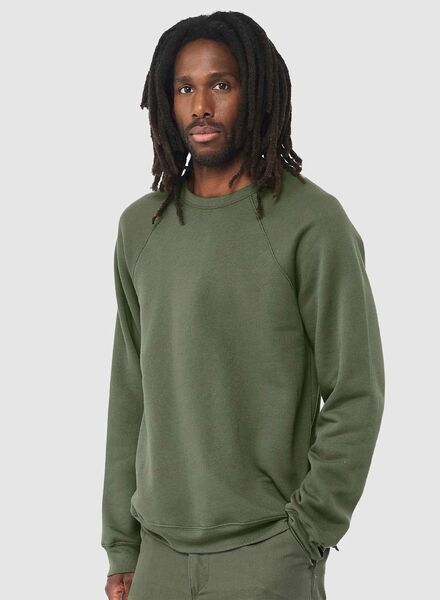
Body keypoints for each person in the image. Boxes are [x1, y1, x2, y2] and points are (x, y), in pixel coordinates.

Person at [101, 10, 385, 600]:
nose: (201, 106)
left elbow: (356, 387)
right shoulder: (140, 228)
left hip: (269, 553)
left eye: (221, 85)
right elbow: (131, 390)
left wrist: (310, 528)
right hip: (157, 555)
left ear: (256, 93)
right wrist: (122, 546)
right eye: (185, 88)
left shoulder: (311, 222)